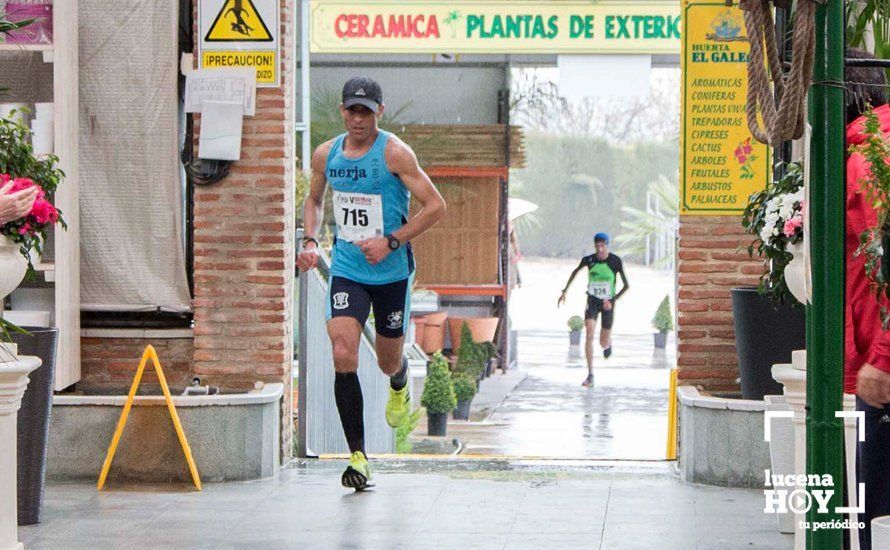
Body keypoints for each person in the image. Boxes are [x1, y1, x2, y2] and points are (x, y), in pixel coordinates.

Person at [296, 76, 446, 490]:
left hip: (392, 271)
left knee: (384, 360)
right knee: (343, 349)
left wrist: (392, 240)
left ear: (379, 111)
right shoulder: (326, 155)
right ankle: (359, 457)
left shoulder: (395, 153)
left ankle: (399, 379)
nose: (358, 118)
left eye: (366, 110)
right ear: (343, 112)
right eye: (352, 110)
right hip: (347, 266)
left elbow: (436, 205)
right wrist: (311, 240)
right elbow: (313, 200)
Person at [845, 48, 890, 550]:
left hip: (884, 364)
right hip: (876, 356)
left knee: (876, 517)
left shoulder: (869, 156)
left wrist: (880, 358)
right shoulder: (868, 147)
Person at [557, 233, 628, 388]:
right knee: (589, 332)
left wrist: (613, 300)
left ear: (607, 246)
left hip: (608, 302)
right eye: (597, 246)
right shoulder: (590, 260)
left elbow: (626, 285)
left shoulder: (615, 261)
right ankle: (590, 375)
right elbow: (575, 272)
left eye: (603, 246)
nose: (600, 249)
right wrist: (565, 291)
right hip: (592, 301)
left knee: (602, 342)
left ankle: (608, 343)